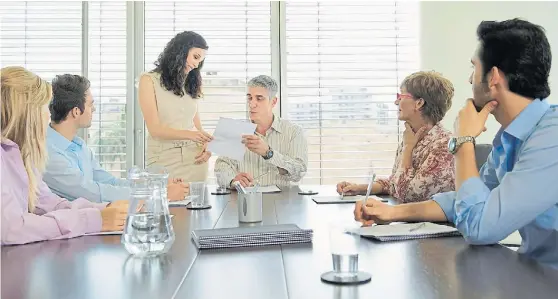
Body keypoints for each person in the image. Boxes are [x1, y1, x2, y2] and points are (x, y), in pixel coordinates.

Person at [355, 19, 558, 267]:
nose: (470, 79)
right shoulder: (510, 139)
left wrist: (463, 141)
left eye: (474, 68)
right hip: (534, 275)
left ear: (493, 77)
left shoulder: (551, 139)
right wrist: (391, 213)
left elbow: (478, 227)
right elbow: (465, 200)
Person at [1, 66, 128, 245]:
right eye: (43, 108)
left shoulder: (21, 155)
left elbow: (49, 203)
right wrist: (93, 219)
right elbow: (12, 229)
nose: (47, 115)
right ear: (26, 114)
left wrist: (103, 210)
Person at [43, 74, 188, 203]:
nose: (93, 109)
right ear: (76, 111)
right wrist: (160, 193)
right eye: (90, 104)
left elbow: (109, 181)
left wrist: (159, 185)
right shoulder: (49, 153)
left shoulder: (79, 146)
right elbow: (93, 193)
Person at [337, 71, 455, 203]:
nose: (396, 101)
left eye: (401, 96)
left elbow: (409, 195)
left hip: (429, 222)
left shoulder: (444, 144)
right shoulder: (411, 136)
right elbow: (395, 183)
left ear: (419, 103)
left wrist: (408, 149)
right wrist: (359, 188)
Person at [138, 31, 213, 182]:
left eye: (200, 61)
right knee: (166, 203)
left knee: (197, 204)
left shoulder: (190, 84)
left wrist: (206, 144)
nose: (196, 64)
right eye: (196, 57)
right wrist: (191, 135)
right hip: (164, 158)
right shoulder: (148, 80)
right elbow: (155, 130)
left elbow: (197, 128)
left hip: (195, 157)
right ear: (181, 50)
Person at [214, 75, 308, 188]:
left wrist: (268, 153)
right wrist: (232, 181)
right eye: (249, 98)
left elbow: (299, 172)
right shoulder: (235, 129)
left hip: (282, 201)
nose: (252, 104)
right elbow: (221, 167)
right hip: (245, 201)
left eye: (259, 98)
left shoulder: (294, 131)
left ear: (273, 102)